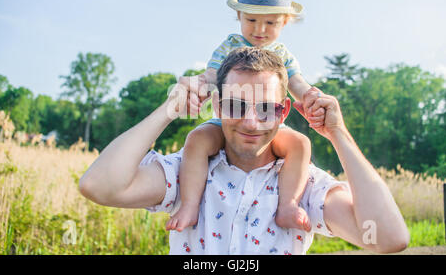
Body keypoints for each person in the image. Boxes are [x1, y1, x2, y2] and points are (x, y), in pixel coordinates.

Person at [79, 46, 409, 255]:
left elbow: (389, 238)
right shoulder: (186, 172)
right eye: (236, 106)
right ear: (217, 105)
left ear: (283, 112)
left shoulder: (305, 185)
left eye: (266, 108)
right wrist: (169, 110)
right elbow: (99, 185)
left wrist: (337, 134)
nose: (251, 122)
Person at [170, 0, 323, 232]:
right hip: (227, 119)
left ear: (284, 22)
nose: (260, 30)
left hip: (268, 120)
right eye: (251, 20)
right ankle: (189, 205)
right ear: (239, 16)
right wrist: (197, 84)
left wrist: (310, 95)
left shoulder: (283, 55)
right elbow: (211, 75)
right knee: (196, 140)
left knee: (300, 143)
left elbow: (296, 83)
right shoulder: (230, 46)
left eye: (271, 23)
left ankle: (288, 205)